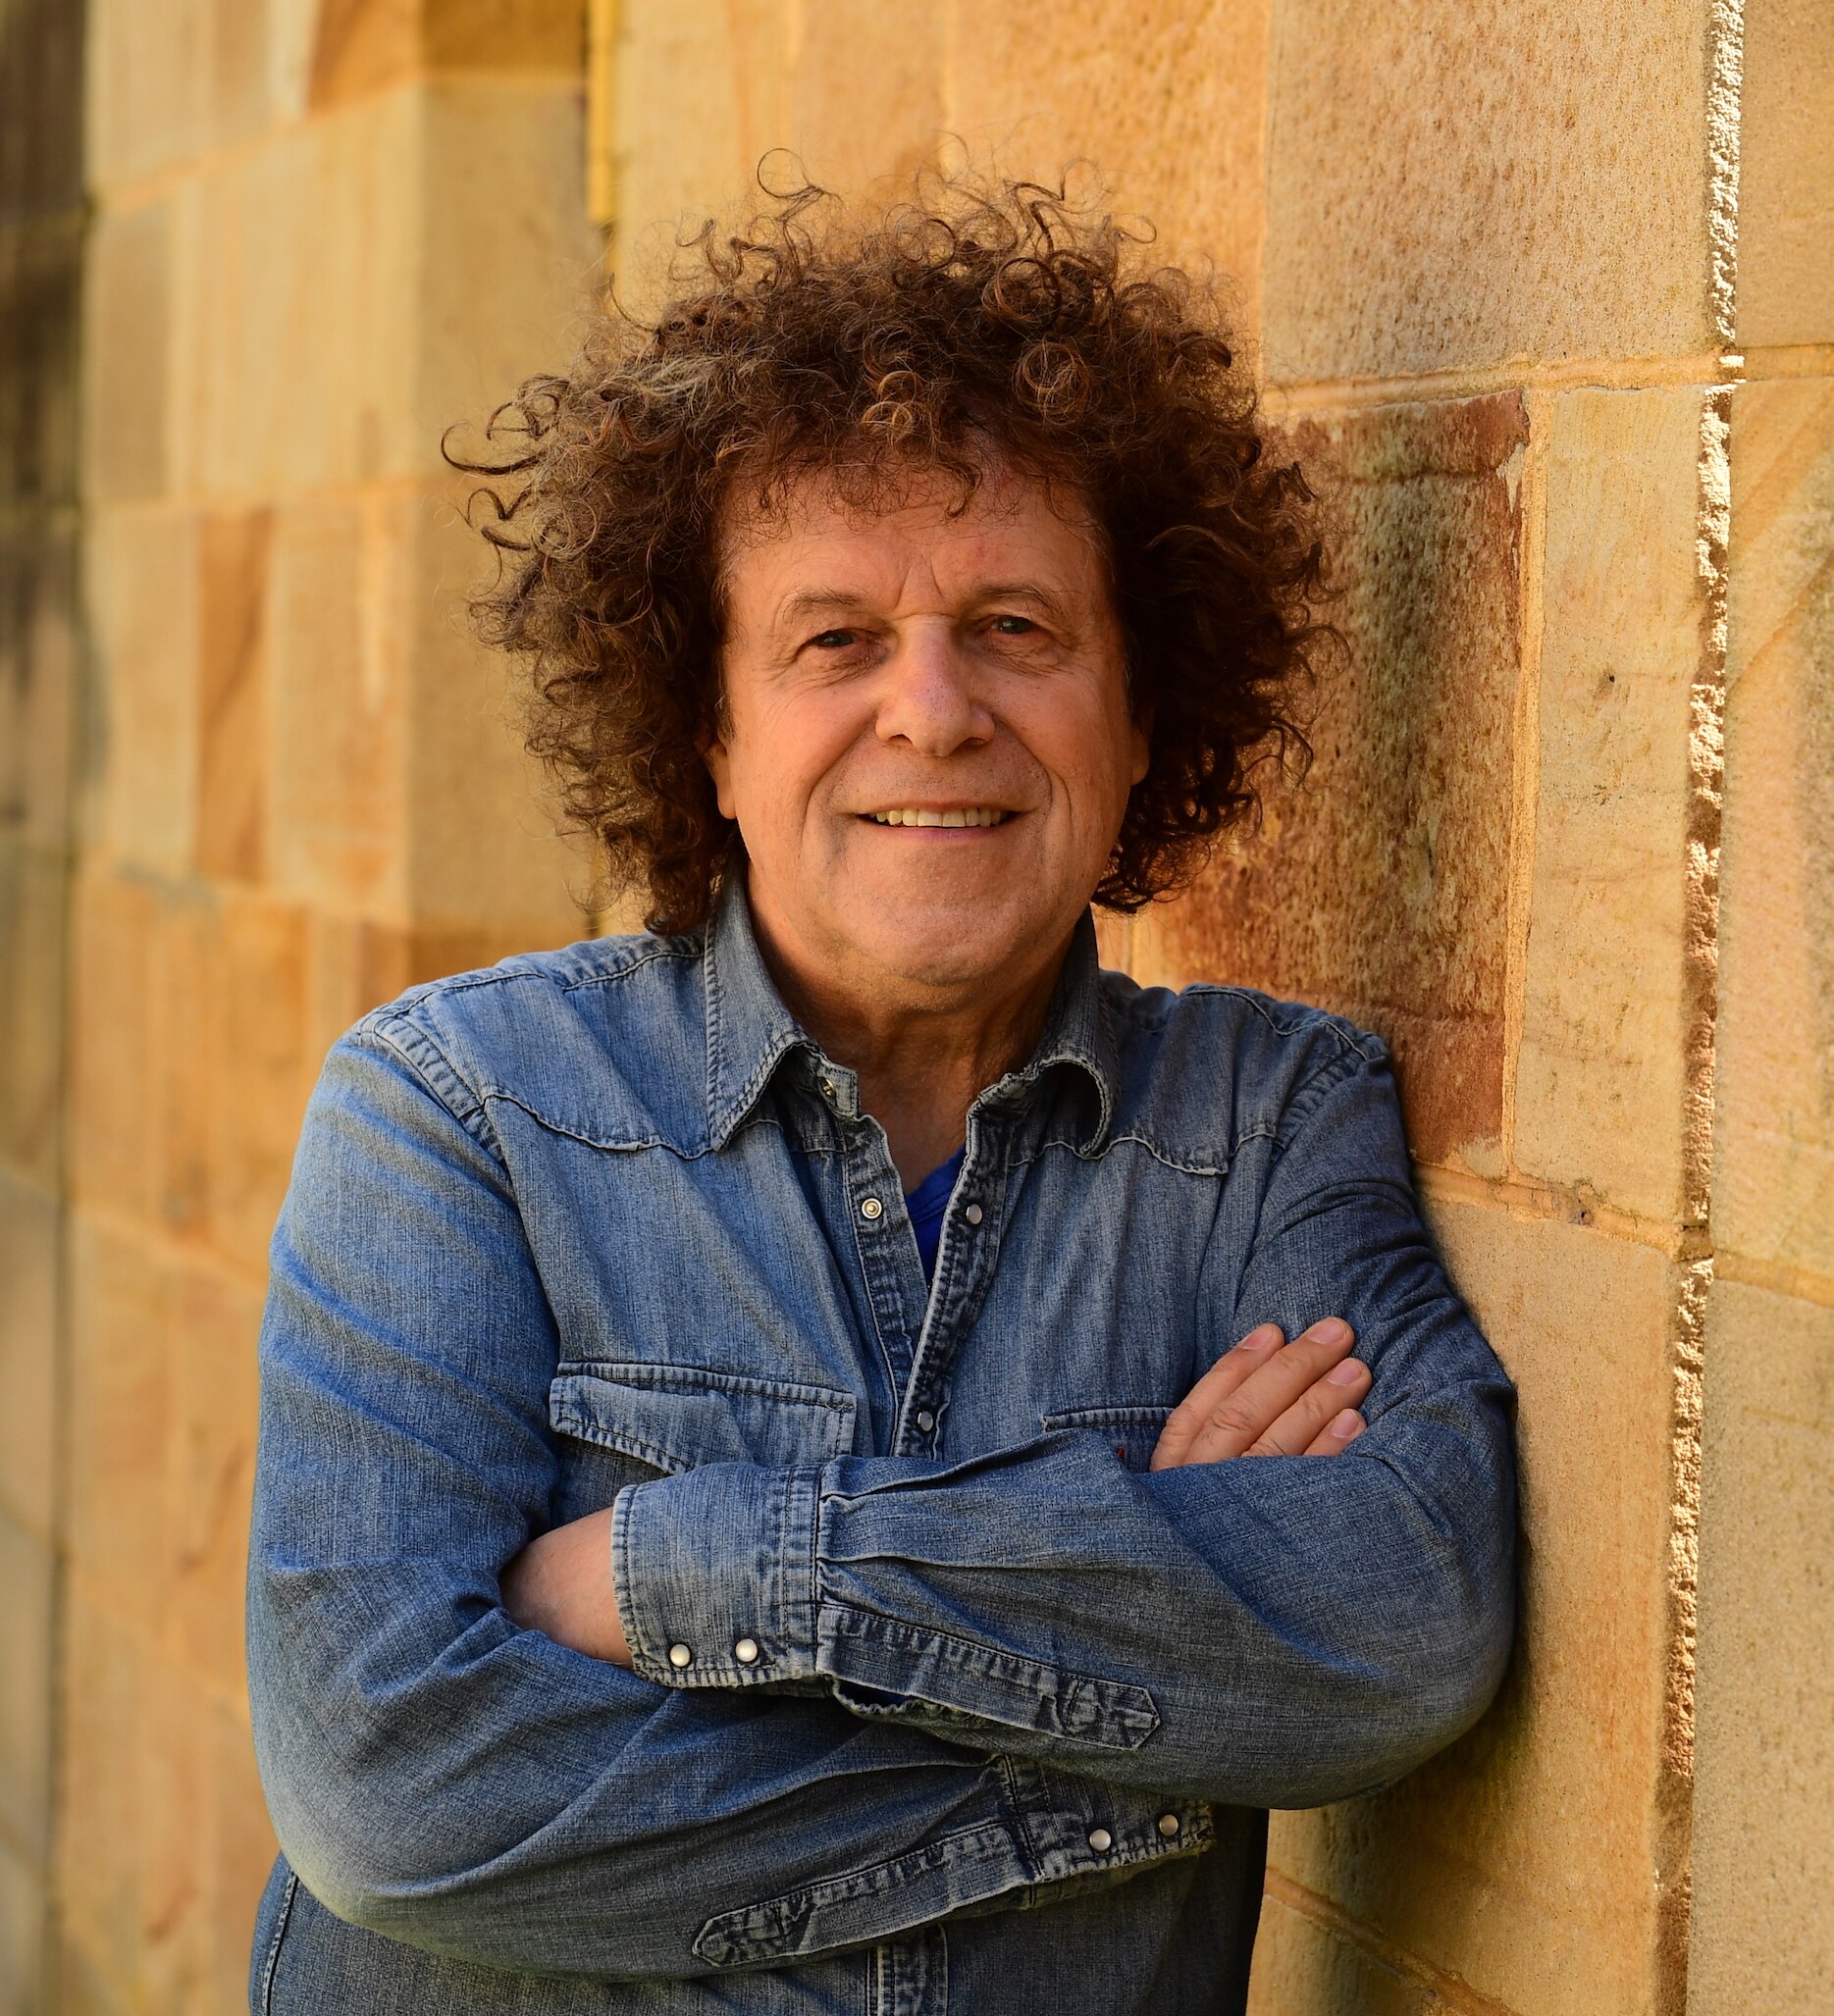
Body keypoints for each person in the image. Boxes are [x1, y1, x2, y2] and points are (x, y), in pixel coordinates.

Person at [245, 178, 1516, 2016]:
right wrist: (1127, 1728)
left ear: (1140, 714)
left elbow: (1400, 1627)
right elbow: (396, 1797)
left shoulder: (1270, 1119)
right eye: (834, 640)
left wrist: (681, 1575)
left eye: (1015, 626)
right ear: (712, 733)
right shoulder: (460, 1113)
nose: (931, 712)